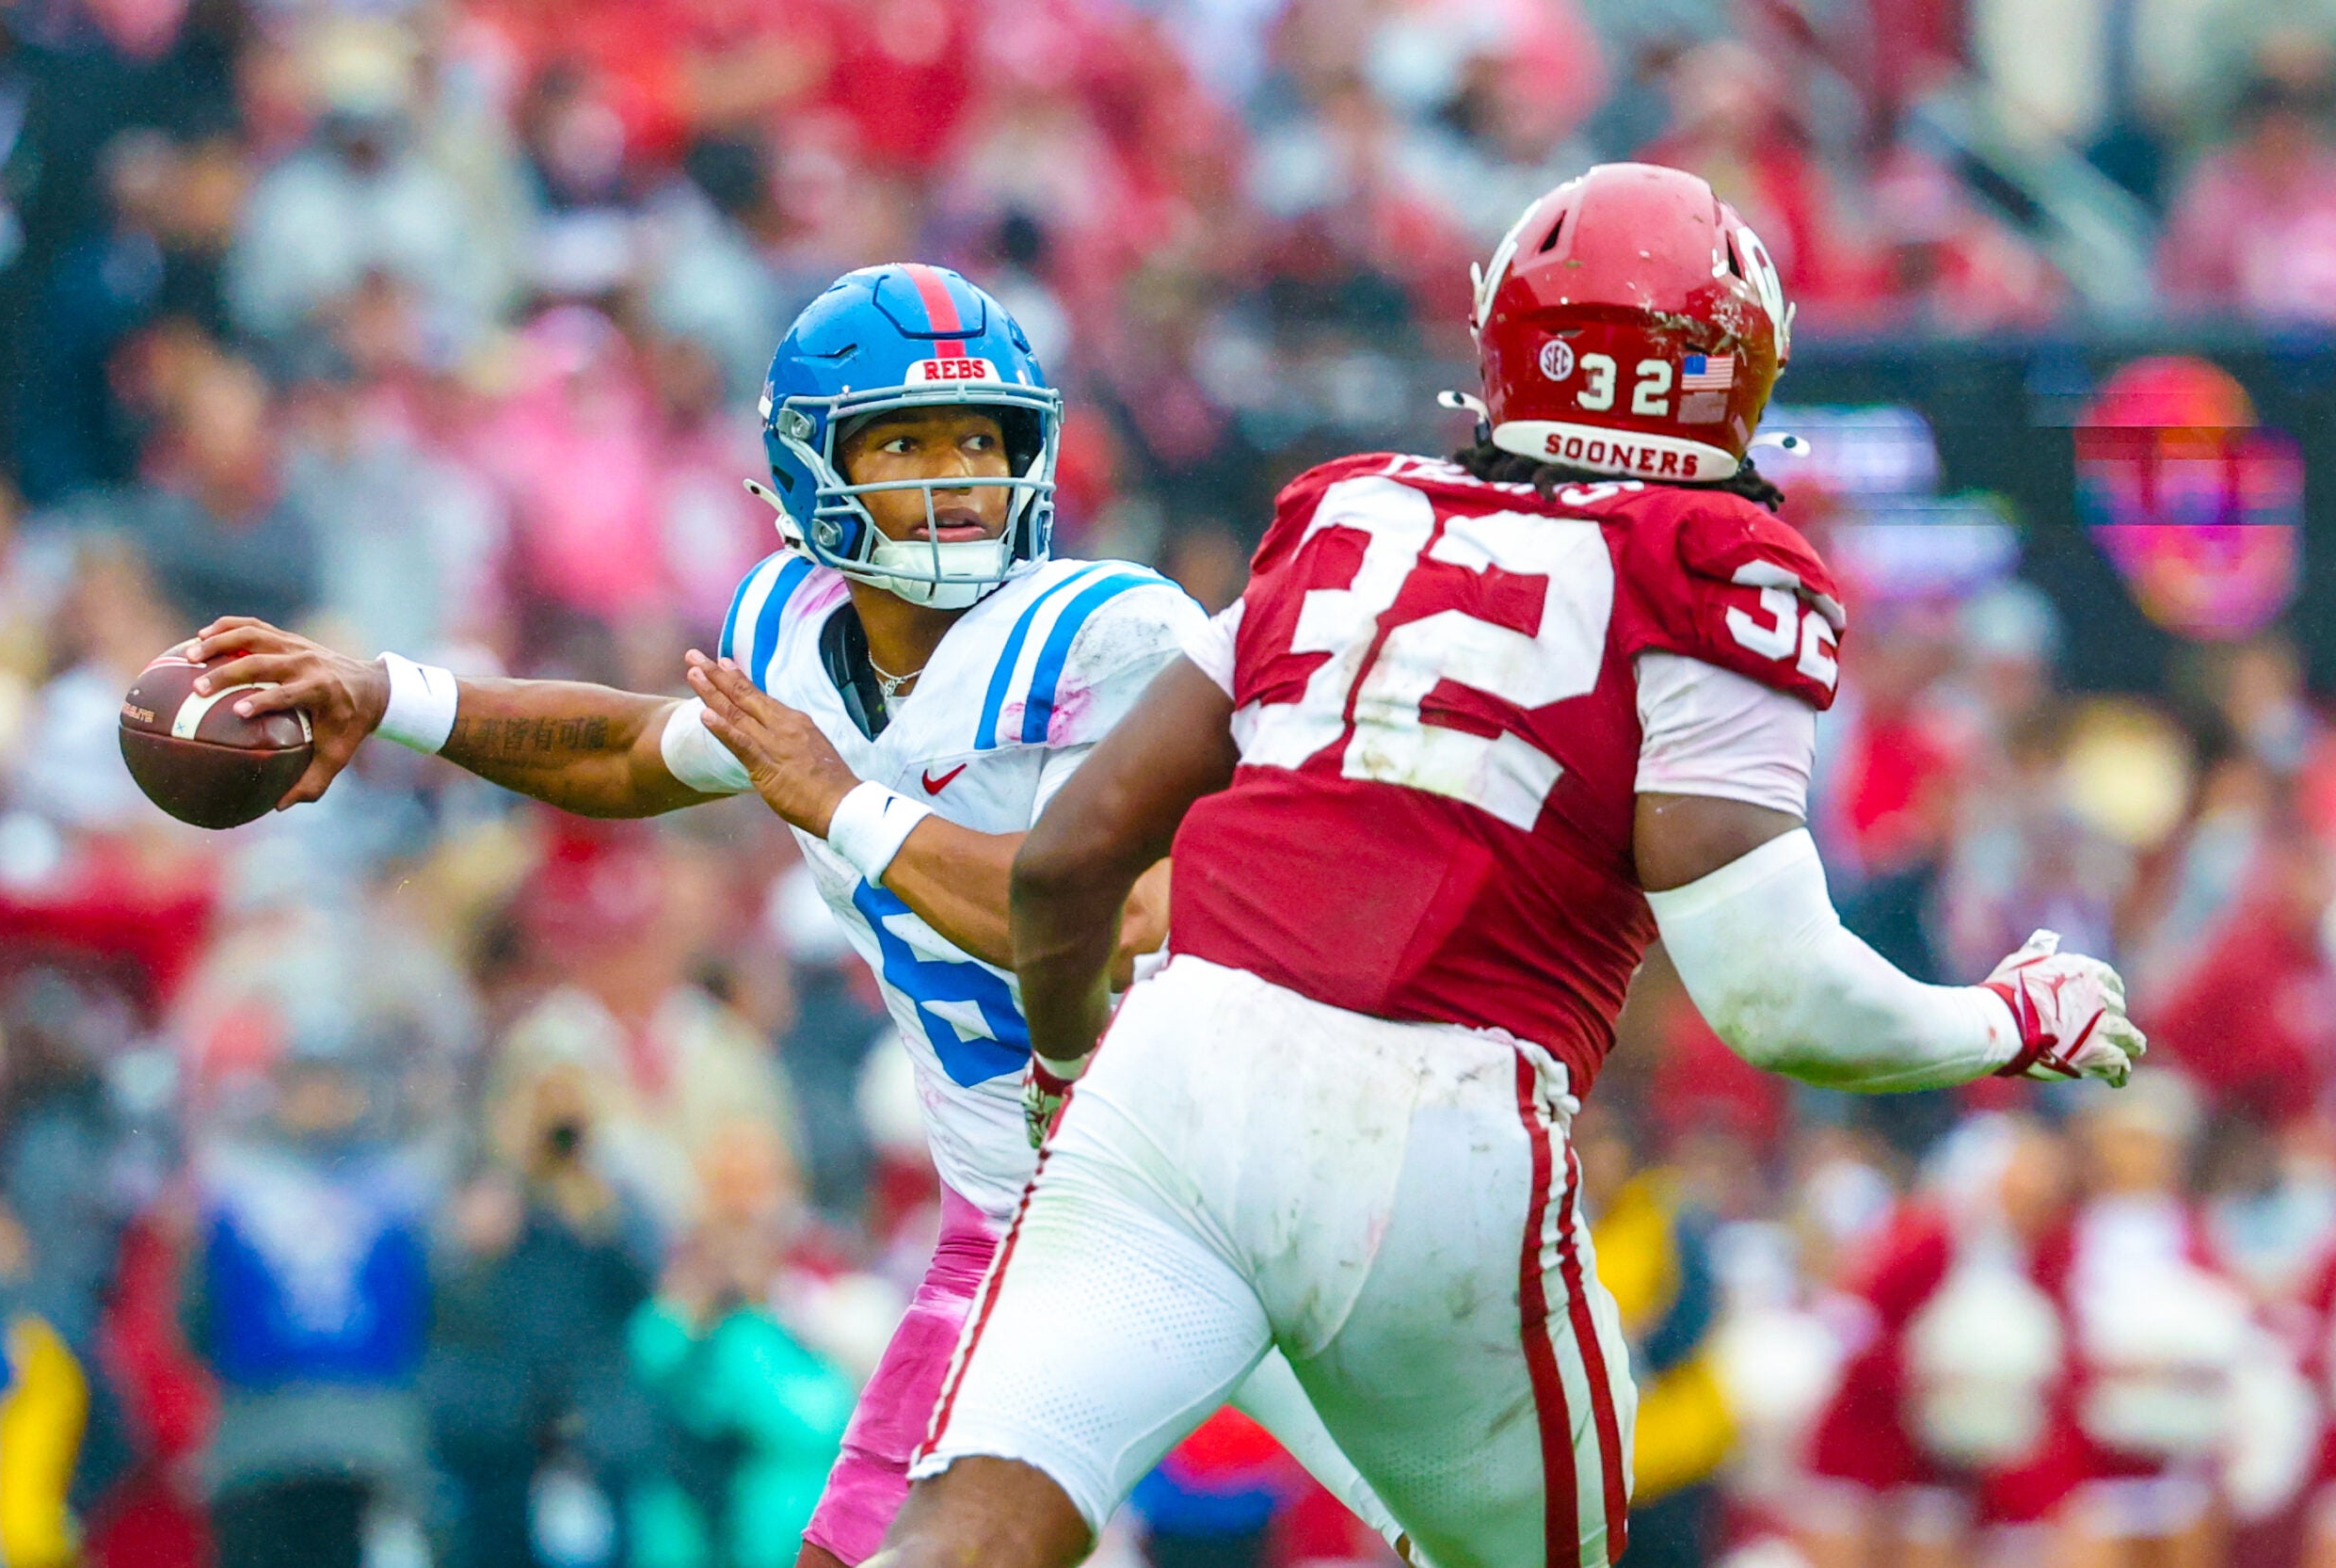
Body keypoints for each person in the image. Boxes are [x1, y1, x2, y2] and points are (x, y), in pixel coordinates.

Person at [882, 164, 2148, 1568]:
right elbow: (1774, 997)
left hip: (1173, 1064)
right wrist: (2011, 1019)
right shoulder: (1714, 560)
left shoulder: (1345, 511)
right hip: (1439, 1121)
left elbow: (1066, 863)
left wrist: (1066, 1069)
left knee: (968, 1537)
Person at [177, 264, 1408, 1567]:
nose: (954, 477)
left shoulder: (1104, 638)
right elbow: (630, 751)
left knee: (1506, 1534)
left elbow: (1106, 920)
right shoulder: (790, 630)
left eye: (980, 440)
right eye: (908, 440)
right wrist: (391, 693)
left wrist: (843, 805)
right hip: (1029, 1221)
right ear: (814, 466)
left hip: (1245, 1187)